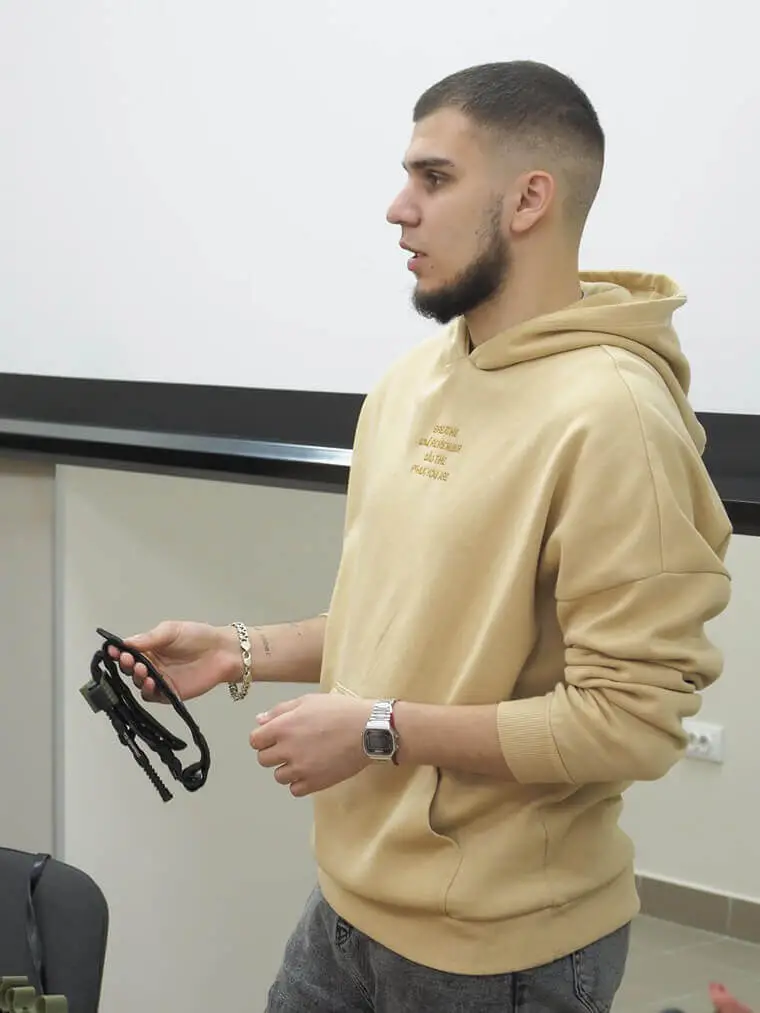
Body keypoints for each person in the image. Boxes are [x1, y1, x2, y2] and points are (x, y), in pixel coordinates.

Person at [109, 61, 733, 1012]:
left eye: (434, 178)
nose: (398, 209)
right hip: (345, 912)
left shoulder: (616, 418)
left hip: (503, 953)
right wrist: (239, 649)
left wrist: (378, 729)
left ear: (529, 199)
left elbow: (630, 722)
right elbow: (414, 628)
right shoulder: (411, 383)